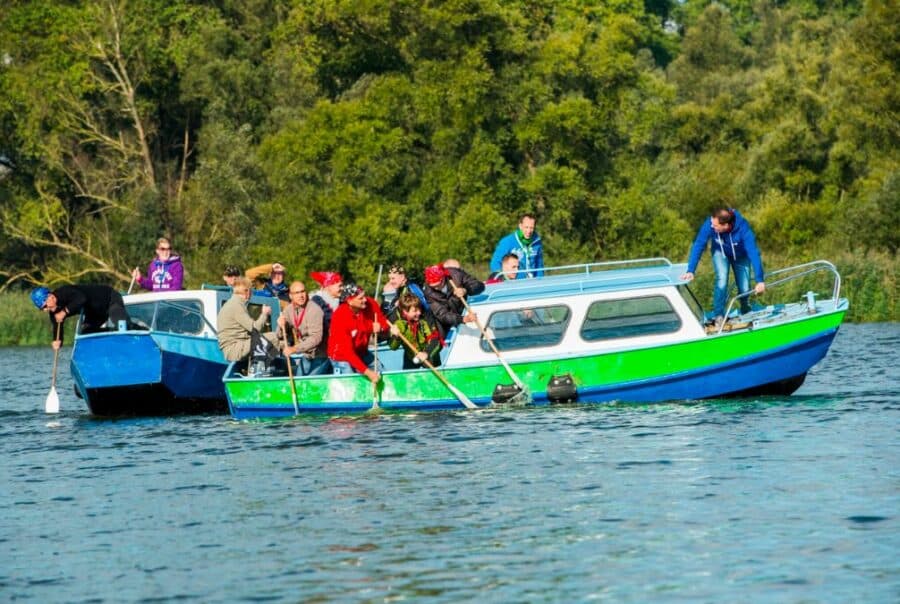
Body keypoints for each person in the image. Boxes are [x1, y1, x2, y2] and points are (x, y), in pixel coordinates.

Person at [681, 205, 766, 325]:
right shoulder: (710, 223)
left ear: (726, 225)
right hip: (720, 252)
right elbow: (699, 244)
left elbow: (753, 252)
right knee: (722, 279)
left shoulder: (743, 228)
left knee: (744, 287)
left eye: (716, 225)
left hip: (741, 255)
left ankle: (746, 310)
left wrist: (760, 280)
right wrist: (691, 270)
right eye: (712, 223)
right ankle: (719, 315)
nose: (712, 226)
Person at [31, 285, 131, 349]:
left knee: (122, 326)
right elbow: (57, 326)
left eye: (45, 306)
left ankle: (135, 333)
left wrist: (64, 312)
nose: (45, 310)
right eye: (42, 309)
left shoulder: (65, 292)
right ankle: (110, 338)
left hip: (109, 299)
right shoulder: (53, 311)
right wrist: (57, 341)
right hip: (95, 312)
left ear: (50, 297)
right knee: (86, 334)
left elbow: (81, 298)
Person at [327, 282, 388, 384]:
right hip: (341, 356)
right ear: (349, 301)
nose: (365, 300)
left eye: (364, 296)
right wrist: (368, 373)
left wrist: (380, 327)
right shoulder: (340, 317)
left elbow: (383, 321)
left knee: (382, 372)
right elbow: (348, 353)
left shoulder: (370, 304)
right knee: (352, 383)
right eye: (360, 298)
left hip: (361, 351)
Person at [216, 277, 277, 362]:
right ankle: (272, 366)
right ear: (247, 292)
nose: (252, 294)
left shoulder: (232, 303)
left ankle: (265, 364)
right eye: (251, 291)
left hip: (233, 347)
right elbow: (255, 328)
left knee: (274, 342)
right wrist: (264, 314)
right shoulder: (236, 306)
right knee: (274, 337)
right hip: (234, 349)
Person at [277, 280, 330, 375]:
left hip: (321, 355)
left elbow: (316, 338)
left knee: (310, 382)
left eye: (303, 291)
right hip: (306, 354)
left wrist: (294, 349)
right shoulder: (288, 310)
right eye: (297, 293)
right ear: (290, 296)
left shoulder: (314, 310)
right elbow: (279, 335)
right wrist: (281, 326)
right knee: (299, 380)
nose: (301, 295)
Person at [422, 263, 485, 337]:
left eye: (438, 285)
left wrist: (465, 290)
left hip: (468, 311)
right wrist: (462, 319)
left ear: (443, 278)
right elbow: (442, 314)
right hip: (451, 323)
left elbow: (480, 286)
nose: (437, 288)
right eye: (434, 287)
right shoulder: (428, 291)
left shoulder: (456, 274)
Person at [388, 293, 443, 369]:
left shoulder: (426, 316)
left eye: (419, 309)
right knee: (409, 375)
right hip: (410, 356)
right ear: (405, 311)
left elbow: (435, 339)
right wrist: (396, 337)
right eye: (415, 311)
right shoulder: (396, 321)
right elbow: (393, 347)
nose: (419, 312)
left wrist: (426, 353)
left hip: (429, 354)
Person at [490, 213, 544, 278]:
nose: (529, 231)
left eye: (531, 228)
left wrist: (540, 280)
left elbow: (539, 265)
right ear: (520, 226)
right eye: (526, 227)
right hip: (515, 282)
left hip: (533, 281)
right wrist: (503, 279)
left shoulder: (537, 241)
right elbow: (495, 263)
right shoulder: (508, 241)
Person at [310, 271, 343, 335]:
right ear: (329, 286)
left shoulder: (340, 301)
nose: (342, 288)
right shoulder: (317, 301)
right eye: (339, 286)